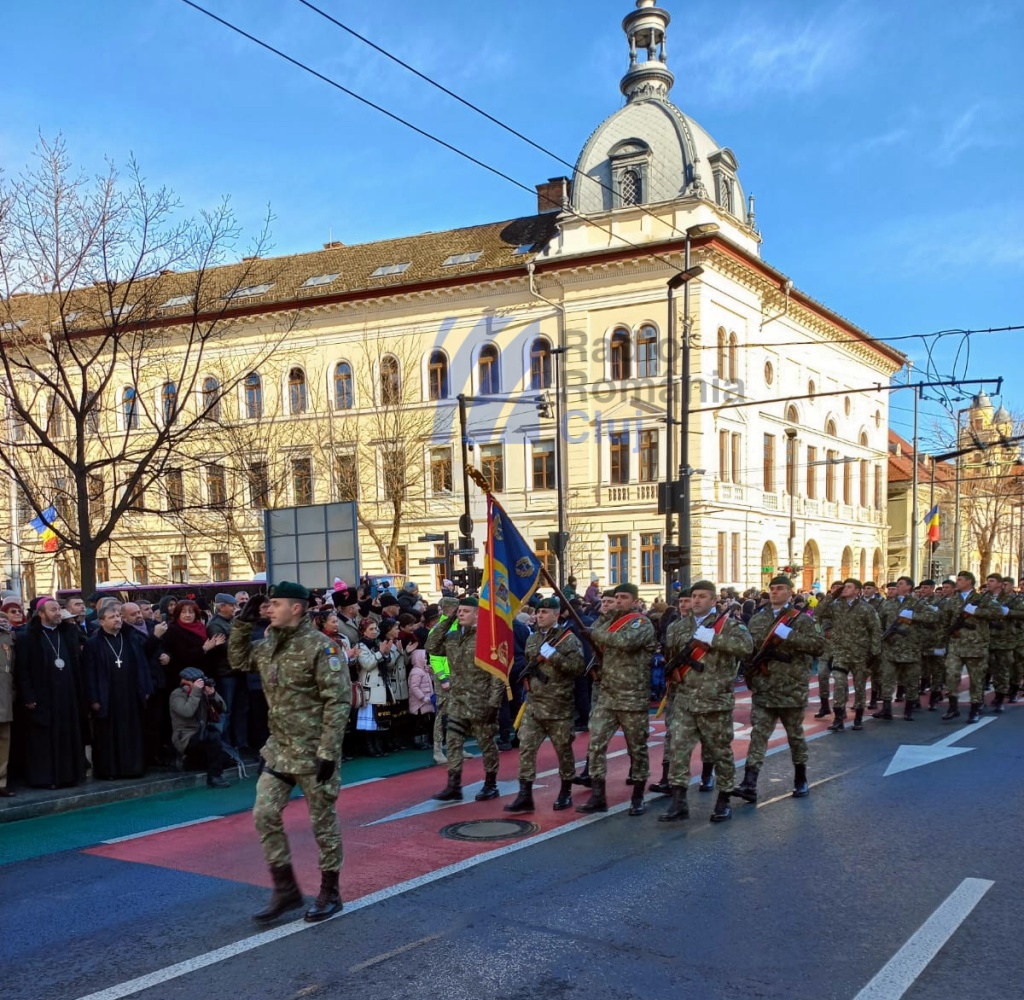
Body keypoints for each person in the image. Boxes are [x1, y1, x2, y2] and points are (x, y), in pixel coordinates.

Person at [229, 582, 351, 924]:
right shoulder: (269, 645)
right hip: (280, 750)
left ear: (296, 608)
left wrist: (329, 750)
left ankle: (330, 891)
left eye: (275, 604)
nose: (268, 609)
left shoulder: (321, 647)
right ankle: (285, 890)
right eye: (267, 605)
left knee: (322, 823)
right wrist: (242, 622)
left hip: (314, 752)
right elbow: (238, 660)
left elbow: (338, 700)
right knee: (264, 813)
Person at [660, 580, 752, 824]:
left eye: (702, 596)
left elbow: (746, 648)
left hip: (715, 700)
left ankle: (723, 800)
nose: (697, 600)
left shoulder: (729, 625)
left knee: (720, 751)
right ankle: (678, 801)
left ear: (713, 600)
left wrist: (714, 639)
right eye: (694, 596)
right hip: (684, 700)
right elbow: (672, 657)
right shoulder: (678, 627)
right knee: (678, 749)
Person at [734, 575, 825, 804]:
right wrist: (751, 676)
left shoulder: (801, 619)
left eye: (780, 588)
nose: (775, 592)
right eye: (772, 588)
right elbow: (749, 650)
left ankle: (801, 778)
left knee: (795, 735)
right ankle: (749, 782)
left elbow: (818, 646)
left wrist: (789, 635)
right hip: (764, 687)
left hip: (791, 688)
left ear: (790, 592)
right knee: (758, 734)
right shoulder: (758, 618)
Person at [578, 583, 656, 817]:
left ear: (635, 601)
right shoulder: (608, 621)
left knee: (637, 748)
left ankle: (638, 796)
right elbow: (592, 634)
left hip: (632, 696)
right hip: (607, 695)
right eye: (616, 597)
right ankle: (598, 796)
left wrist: (596, 632)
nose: (619, 601)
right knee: (596, 744)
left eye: (624, 597)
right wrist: (602, 620)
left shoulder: (641, 623)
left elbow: (626, 641)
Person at [505, 597, 585, 813]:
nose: (540, 615)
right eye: (538, 612)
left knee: (563, 750)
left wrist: (554, 656)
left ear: (556, 615)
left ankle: (566, 790)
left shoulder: (568, 639)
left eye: (545, 612)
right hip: (534, 705)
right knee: (526, 748)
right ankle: (525, 794)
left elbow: (578, 668)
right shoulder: (532, 639)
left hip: (559, 706)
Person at [428, 596, 504, 802]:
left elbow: (496, 673)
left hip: (480, 700)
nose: (461, 613)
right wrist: (447, 620)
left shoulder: (487, 638)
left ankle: (491, 784)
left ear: (478, 614)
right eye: (459, 610)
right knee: (453, 741)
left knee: (486, 743)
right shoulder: (453, 637)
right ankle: (454, 785)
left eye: (465, 611)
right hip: (457, 699)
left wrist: (494, 703)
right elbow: (432, 646)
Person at [14, 598, 86, 788]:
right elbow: (23, 670)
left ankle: (69, 776)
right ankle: (47, 779)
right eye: (53, 610)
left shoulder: (67, 633)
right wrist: (28, 696)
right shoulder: (28, 637)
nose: (57, 613)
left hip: (67, 695)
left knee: (67, 736)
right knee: (44, 740)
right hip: (43, 696)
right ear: (41, 614)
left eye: (58, 609)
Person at [83, 603, 154, 779]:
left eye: (118, 616)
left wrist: (145, 688)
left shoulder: (130, 638)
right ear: (101, 621)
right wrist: (93, 699)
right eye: (112, 617)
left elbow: (142, 665)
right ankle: (110, 771)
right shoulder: (93, 643)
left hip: (130, 694)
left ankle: (133, 768)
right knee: (108, 735)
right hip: (107, 696)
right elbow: (89, 673)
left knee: (132, 731)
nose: (117, 620)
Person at [814, 579, 880, 731]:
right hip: (840, 653)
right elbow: (818, 612)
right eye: (844, 587)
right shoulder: (836, 606)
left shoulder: (866, 608)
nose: (844, 589)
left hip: (860, 653)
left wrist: (874, 652)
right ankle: (838, 718)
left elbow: (875, 630)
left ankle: (858, 718)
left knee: (859, 686)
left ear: (857, 591)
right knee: (839, 684)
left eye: (849, 587)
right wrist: (832, 596)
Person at [169, 667, 229, 787]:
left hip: (202, 734)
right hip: (185, 737)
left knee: (225, 759)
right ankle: (214, 777)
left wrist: (212, 695)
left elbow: (223, 709)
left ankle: (189, 763)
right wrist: (195, 692)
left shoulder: (202, 693)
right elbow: (187, 712)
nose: (200, 684)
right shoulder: (177, 695)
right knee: (214, 738)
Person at [427, 596, 459, 765]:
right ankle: (438, 750)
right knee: (442, 714)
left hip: (459, 676)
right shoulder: (438, 630)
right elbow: (434, 658)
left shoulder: (459, 627)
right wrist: (443, 678)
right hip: (445, 678)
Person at [407, 648, 436, 750]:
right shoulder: (416, 672)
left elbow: (431, 682)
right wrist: (423, 697)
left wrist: (432, 673)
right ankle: (418, 741)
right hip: (419, 704)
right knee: (418, 723)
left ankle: (425, 740)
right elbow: (414, 687)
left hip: (426, 703)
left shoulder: (425, 671)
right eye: (424, 658)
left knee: (425, 722)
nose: (426, 660)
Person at [0, 613, 14, 795]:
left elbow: (11, 667)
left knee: (4, 740)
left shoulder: (6, 636)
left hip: (4, 695)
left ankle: (1, 782)